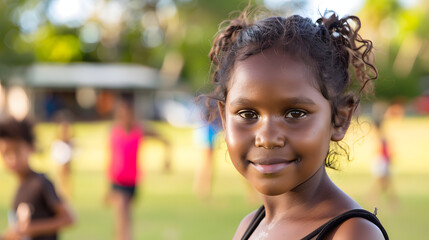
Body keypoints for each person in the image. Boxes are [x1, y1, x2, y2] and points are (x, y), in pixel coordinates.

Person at [203, 8, 389, 240]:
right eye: (248, 114)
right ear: (224, 117)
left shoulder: (350, 233)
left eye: (295, 113)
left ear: (340, 117)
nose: (268, 138)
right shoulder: (249, 226)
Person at [0, 116, 75, 240]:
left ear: (31, 148)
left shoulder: (40, 183)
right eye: (5, 153)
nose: (12, 158)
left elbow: (68, 218)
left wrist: (33, 229)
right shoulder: (20, 188)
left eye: (17, 151)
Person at [106, 93, 168, 240]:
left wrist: (167, 160)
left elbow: (164, 139)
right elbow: (110, 159)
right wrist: (107, 187)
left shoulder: (139, 130)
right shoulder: (114, 132)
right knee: (121, 215)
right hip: (117, 181)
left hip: (132, 181)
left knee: (126, 216)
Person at [50, 110, 74, 200]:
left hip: (66, 159)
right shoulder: (59, 135)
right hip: (61, 159)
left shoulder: (67, 134)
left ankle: (66, 195)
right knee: (60, 179)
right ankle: (61, 195)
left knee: (66, 179)